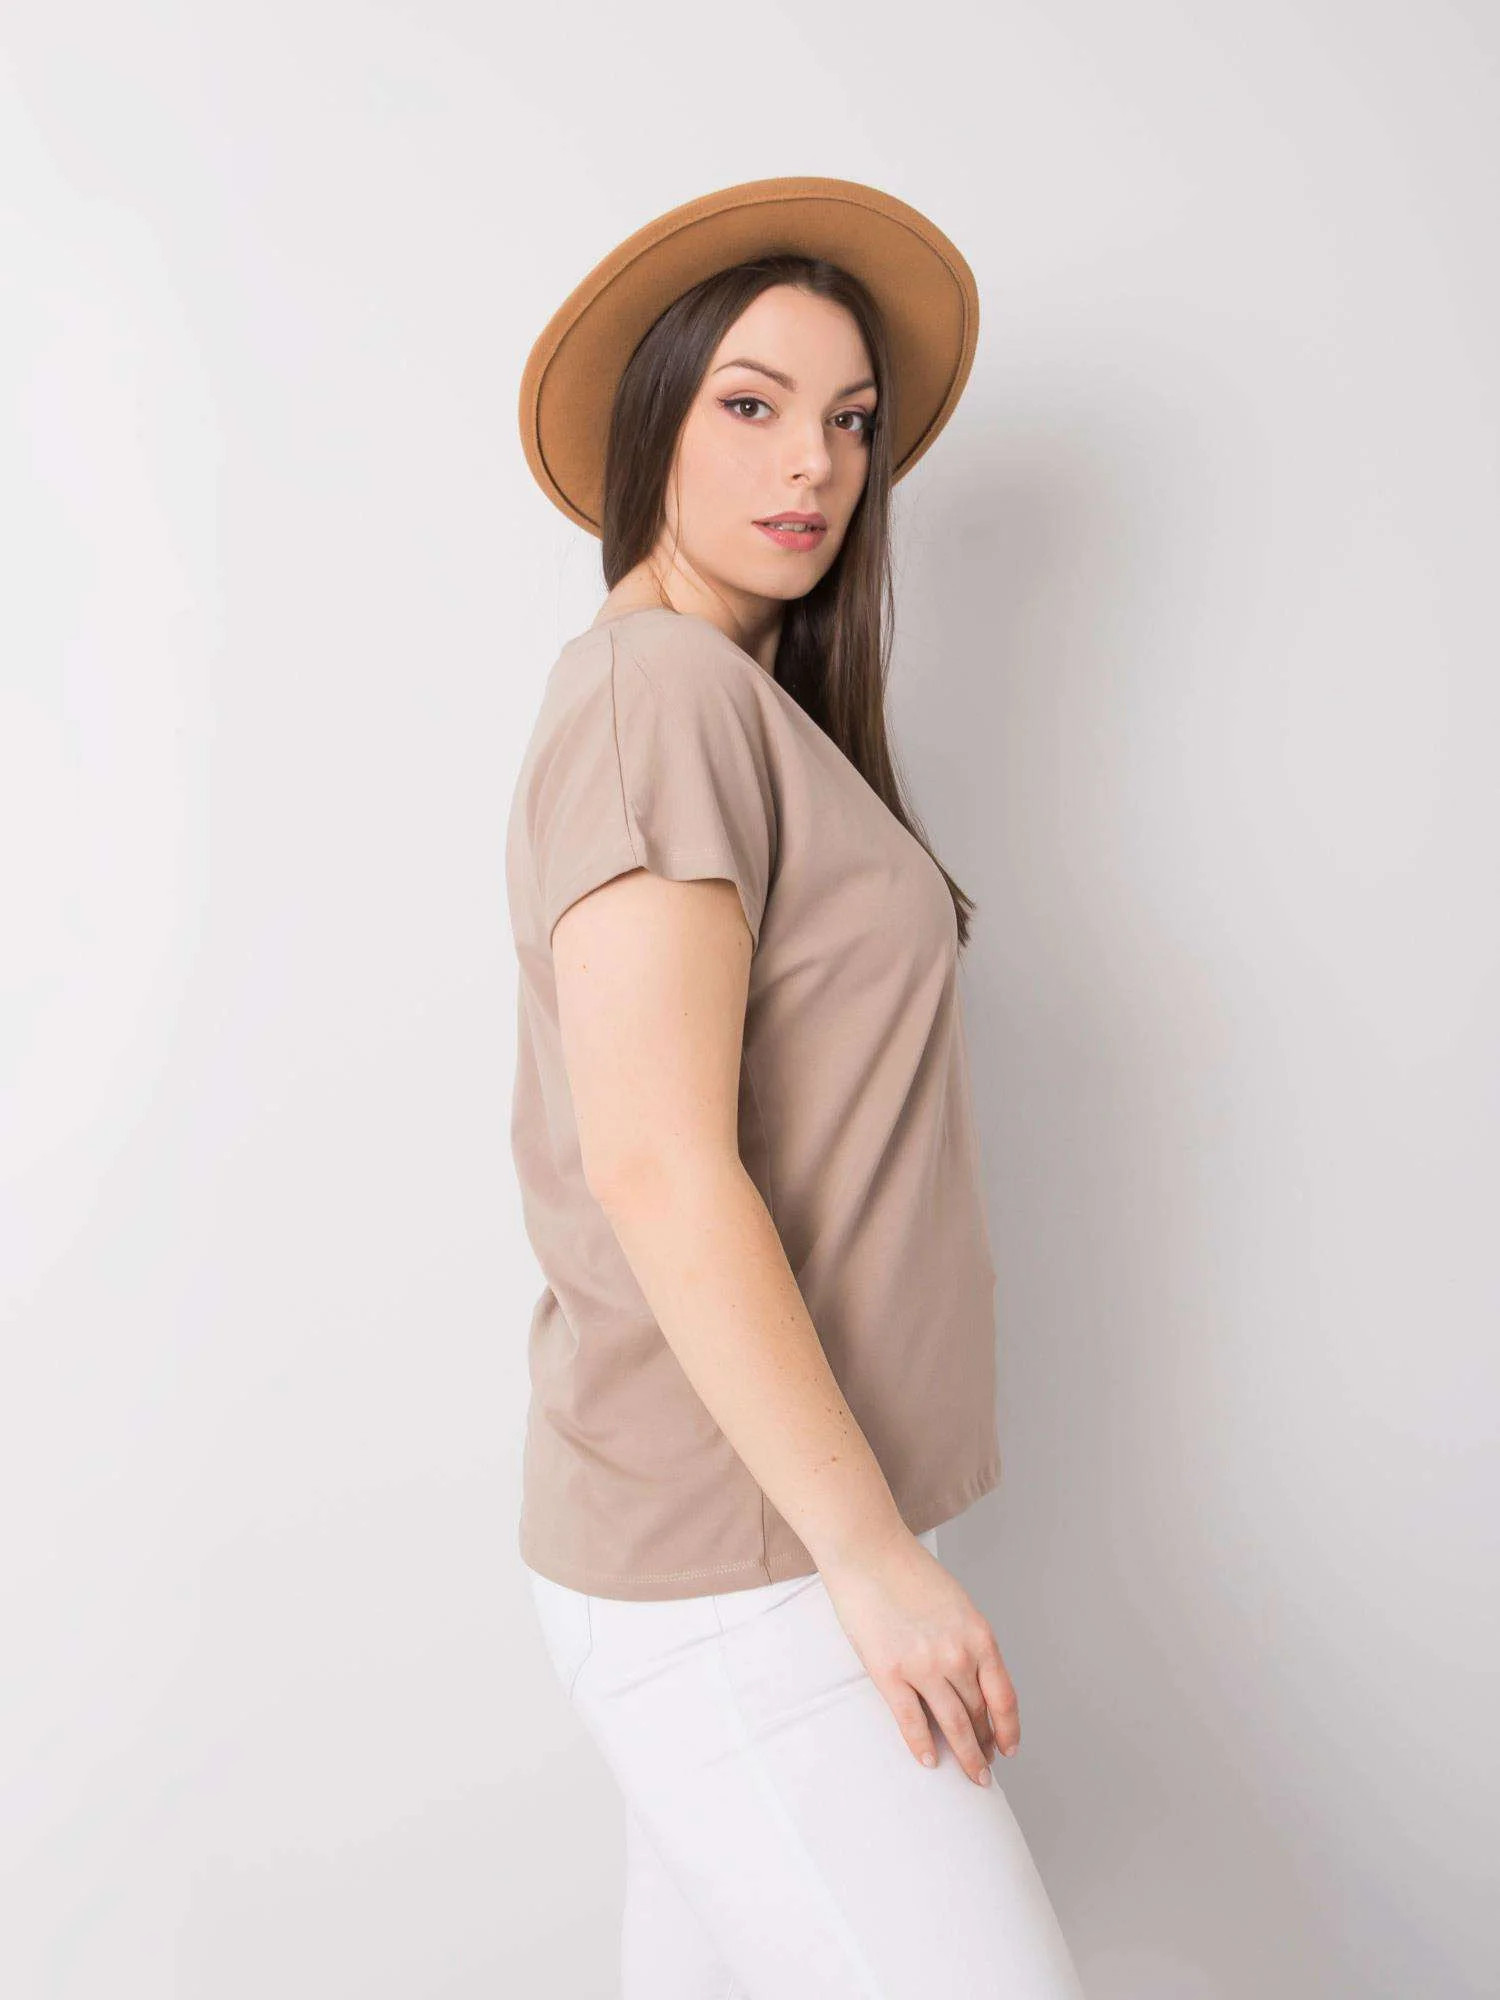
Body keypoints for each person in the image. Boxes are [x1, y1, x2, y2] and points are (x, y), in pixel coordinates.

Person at [507, 177, 1087, 1998]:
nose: (813, 464)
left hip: (759, 1542)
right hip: (743, 1570)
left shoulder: (736, 704)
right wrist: (869, 1560)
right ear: (652, 427)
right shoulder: (656, 697)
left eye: (849, 421)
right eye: (750, 404)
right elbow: (659, 1166)